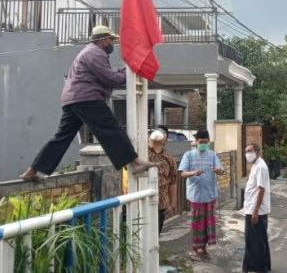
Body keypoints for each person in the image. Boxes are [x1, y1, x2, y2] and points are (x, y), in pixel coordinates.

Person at [20, 25, 153, 181]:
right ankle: (134, 162)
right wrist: (129, 72)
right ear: (102, 40)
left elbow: (109, 74)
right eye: (111, 40)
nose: (113, 44)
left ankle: (33, 170)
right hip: (87, 98)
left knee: (61, 138)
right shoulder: (95, 53)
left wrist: (124, 71)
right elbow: (111, 78)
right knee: (110, 129)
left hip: (74, 99)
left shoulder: (89, 52)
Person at [178, 130, 225, 261]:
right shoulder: (189, 155)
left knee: (208, 223)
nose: (203, 144)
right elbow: (182, 173)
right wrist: (193, 173)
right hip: (196, 195)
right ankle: (194, 248)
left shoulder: (212, 155)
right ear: (196, 142)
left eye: (205, 142)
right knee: (197, 222)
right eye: (201, 142)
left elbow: (222, 171)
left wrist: (219, 171)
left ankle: (203, 248)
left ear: (208, 142)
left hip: (210, 194)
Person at [242, 143, 271, 273]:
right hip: (252, 208)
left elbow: (261, 190)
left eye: (250, 151)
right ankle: (259, 266)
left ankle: (259, 268)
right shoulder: (255, 165)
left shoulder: (260, 167)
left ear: (257, 152)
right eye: (246, 151)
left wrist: (255, 212)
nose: (247, 154)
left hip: (256, 210)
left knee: (256, 241)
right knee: (256, 239)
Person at [148, 128, 178, 235]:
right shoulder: (142, 153)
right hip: (142, 201)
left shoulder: (169, 158)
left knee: (155, 235)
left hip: (160, 203)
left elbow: (173, 181)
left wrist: (172, 204)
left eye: (162, 134)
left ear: (165, 140)